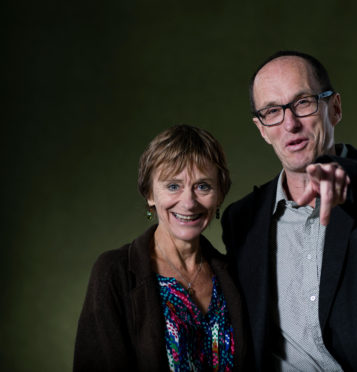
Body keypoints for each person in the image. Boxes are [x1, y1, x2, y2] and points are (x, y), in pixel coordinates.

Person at [221, 51, 357, 371]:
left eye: (303, 102)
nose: (290, 123)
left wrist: (352, 184)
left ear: (334, 108)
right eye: (272, 111)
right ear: (261, 128)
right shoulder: (242, 220)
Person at [74, 125, 250, 371]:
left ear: (219, 194)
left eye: (203, 186)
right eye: (173, 186)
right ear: (149, 193)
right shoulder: (114, 273)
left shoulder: (234, 275)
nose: (188, 203)